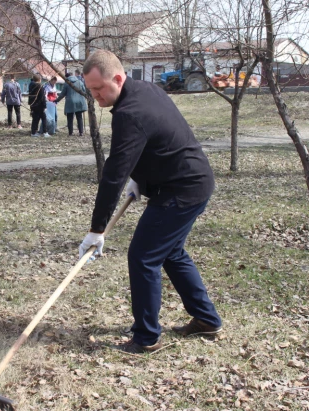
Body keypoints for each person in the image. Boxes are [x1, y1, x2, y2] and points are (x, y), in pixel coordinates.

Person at [77, 49, 222, 354]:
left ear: (117, 78)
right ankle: (207, 319)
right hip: (190, 181)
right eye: (90, 90)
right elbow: (153, 142)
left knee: (143, 257)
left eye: (99, 89)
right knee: (171, 253)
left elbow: (113, 175)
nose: (95, 96)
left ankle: (146, 337)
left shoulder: (131, 112)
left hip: (181, 189)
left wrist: (97, 229)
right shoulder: (143, 90)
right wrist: (140, 179)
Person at [55, 72, 87, 136]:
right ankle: (81, 132)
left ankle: (70, 132)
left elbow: (63, 94)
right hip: (79, 101)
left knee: (70, 118)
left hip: (70, 102)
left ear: (66, 77)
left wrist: (56, 100)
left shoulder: (67, 83)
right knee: (79, 117)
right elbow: (84, 91)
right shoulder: (79, 82)